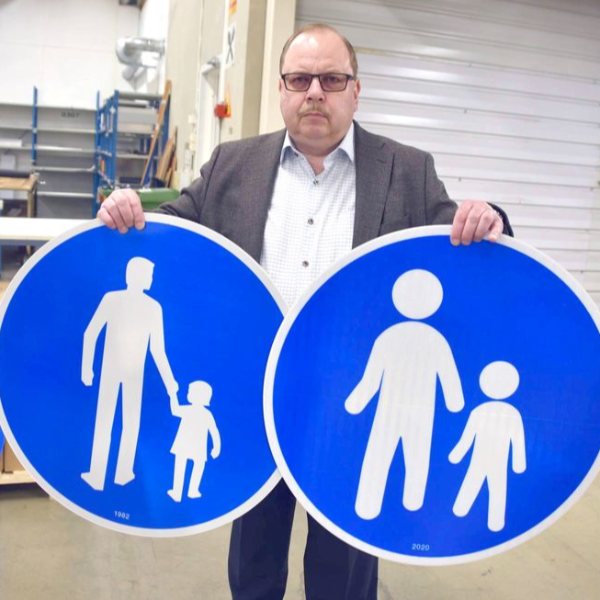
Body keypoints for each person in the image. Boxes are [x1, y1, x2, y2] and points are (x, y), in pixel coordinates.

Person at [98, 22, 512, 600]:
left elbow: (458, 243)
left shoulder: (408, 170)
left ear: (356, 91)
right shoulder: (232, 164)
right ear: (282, 89)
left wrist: (490, 218)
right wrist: (128, 210)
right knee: (255, 555)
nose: (315, 92)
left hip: (348, 408)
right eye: (300, 79)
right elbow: (173, 234)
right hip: (259, 394)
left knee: (345, 565)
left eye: (332, 79)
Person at [81, 256, 178, 492]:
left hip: (126, 372)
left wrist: (170, 382)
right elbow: (91, 333)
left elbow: (157, 350)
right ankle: (114, 473)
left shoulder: (149, 306)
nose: (152, 279)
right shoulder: (123, 301)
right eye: (149, 275)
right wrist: (86, 367)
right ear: (136, 276)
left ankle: (107, 474)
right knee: (120, 422)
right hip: (122, 372)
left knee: (115, 421)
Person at [167, 380, 221, 503]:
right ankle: (190, 491)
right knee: (196, 466)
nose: (188, 394)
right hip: (194, 446)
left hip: (187, 445)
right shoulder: (206, 413)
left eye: (189, 392)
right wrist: (216, 447)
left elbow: (175, 410)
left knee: (184, 466)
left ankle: (180, 492)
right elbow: (214, 431)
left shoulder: (195, 411)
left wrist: (173, 395)